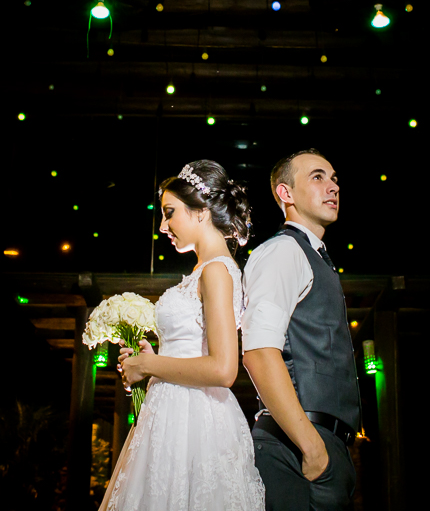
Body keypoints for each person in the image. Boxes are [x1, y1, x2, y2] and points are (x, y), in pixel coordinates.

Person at [102, 160, 266, 511]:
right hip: (172, 413)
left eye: (170, 213)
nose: (163, 226)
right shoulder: (205, 270)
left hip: (194, 421)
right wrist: (150, 359)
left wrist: (149, 365)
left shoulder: (216, 271)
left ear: (202, 212)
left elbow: (223, 369)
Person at [241, 148, 362, 511]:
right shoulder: (283, 252)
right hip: (295, 449)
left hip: (322, 448)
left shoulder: (315, 256)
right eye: (317, 177)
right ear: (286, 193)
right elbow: (259, 353)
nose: (333, 186)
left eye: (334, 179)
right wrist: (311, 447)